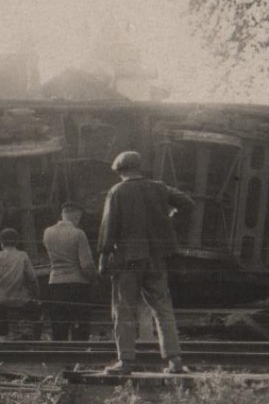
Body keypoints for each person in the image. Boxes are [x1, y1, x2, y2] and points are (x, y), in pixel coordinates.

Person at [97, 151, 195, 374]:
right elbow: (187, 204)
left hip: (127, 260)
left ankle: (126, 361)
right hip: (156, 258)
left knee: (124, 310)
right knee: (163, 308)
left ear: (120, 170)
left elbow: (109, 227)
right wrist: (168, 224)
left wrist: (103, 256)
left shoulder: (117, 191)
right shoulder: (159, 187)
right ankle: (174, 360)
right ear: (139, 168)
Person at [42, 201, 97, 343]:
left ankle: (62, 358)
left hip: (55, 283)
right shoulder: (78, 233)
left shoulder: (47, 232)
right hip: (78, 285)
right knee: (79, 325)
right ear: (77, 216)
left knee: (59, 325)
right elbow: (87, 264)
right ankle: (79, 359)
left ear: (62, 214)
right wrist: (95, 279)